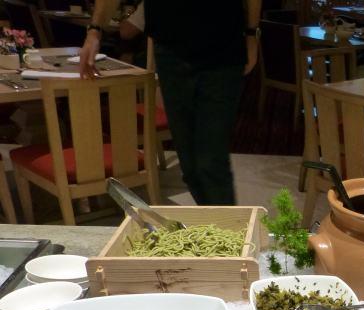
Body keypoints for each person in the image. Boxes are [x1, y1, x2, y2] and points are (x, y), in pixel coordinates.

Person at [80, 0, 261, 206]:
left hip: (223, 47)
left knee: (211, 162)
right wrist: (94, 30)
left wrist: (252, 34)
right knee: (190, 166)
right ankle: (214, 222)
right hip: (170, 51)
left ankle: (227, 225)